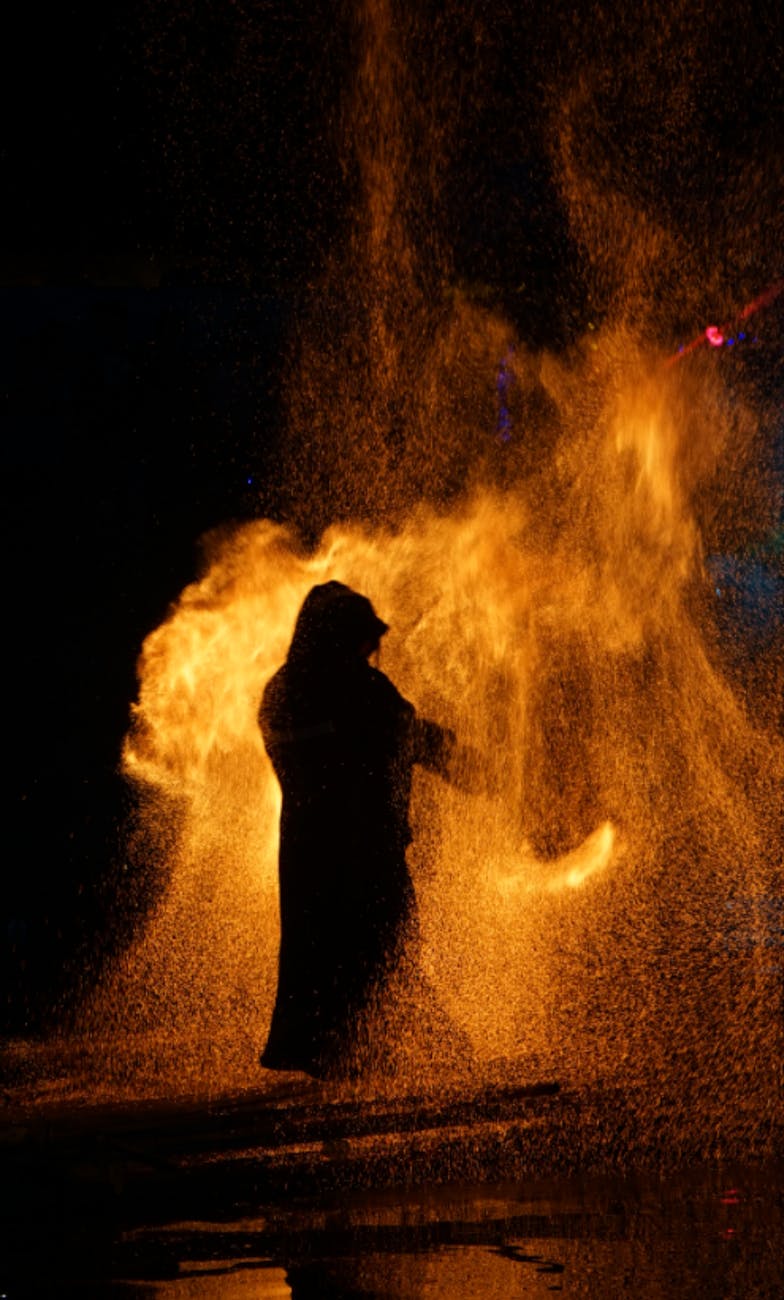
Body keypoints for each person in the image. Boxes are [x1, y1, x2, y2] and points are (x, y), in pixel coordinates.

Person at [259, 580, 455, 1079]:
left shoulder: (280, 692)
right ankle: (440, 1062)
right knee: (387, 957)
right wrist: (496, 773)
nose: (372, 653)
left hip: (306, 860)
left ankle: (343, 1064)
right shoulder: (359, 689)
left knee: (320, 965)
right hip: (366, 856)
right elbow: (420, 742)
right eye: (364, 640)